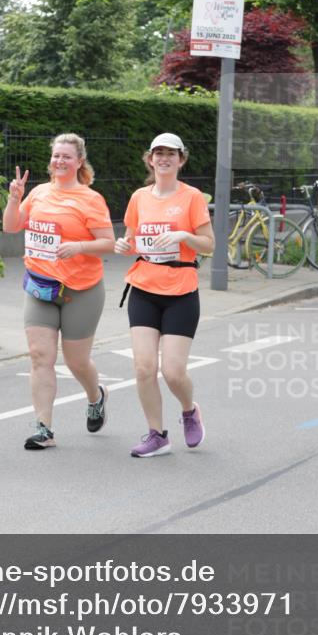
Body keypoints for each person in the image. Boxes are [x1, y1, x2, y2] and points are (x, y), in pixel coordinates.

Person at [3, 133, 115, 450]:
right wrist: (14, 198)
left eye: (66, 156)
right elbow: (11, 227)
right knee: (40, 356)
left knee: (77, 361)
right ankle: (44, 428)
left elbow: (109, 242)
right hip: (40, 285)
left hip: (81, 288)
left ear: (79, 162)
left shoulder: (90, 199)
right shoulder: (38, 193)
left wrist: (79, 246)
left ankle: (96, 395)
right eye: (56, 156)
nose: (59, 161)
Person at [114, 132, 215, 458]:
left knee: (173, 371)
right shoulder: (139, 197)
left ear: (181, 159)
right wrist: (122, 245)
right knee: (144, 368)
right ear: (150, 158)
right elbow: (130, 239)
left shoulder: (192, 197)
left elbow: (209, 244)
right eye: (158, 153)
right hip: (143, 288)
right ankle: (157, 435)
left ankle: (189, 409)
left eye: (170, 153)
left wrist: (184, 233)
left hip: (181, 291)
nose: (164, 158)